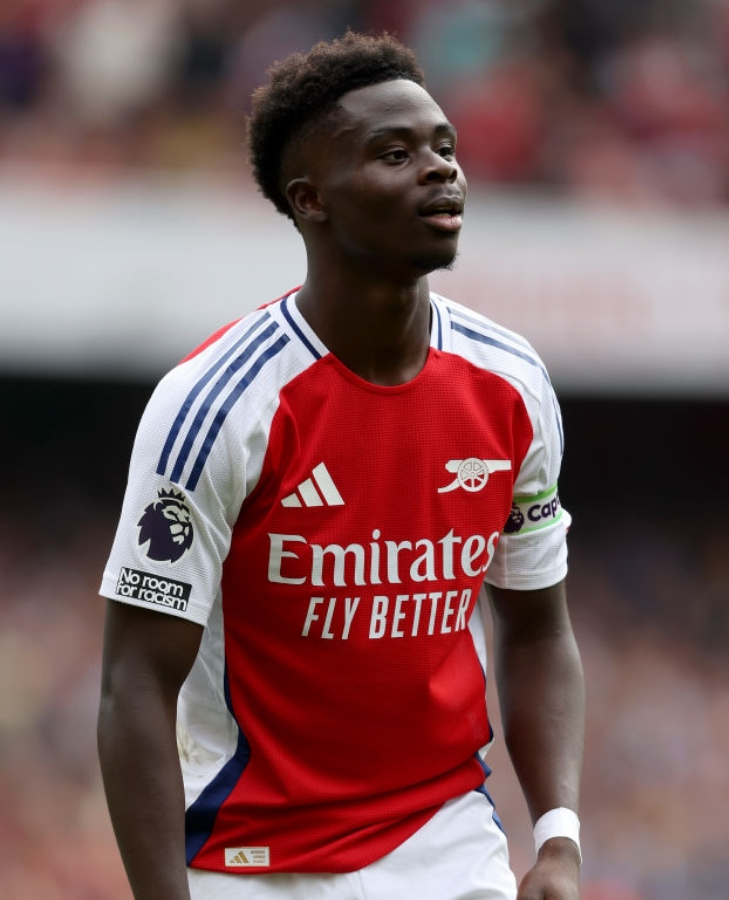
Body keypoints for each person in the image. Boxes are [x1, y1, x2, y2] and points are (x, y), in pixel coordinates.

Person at [95, 32, 583, 900]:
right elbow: (135, 682)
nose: (441, 170)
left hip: (446, 840)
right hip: (250, 856)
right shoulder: (214, 406)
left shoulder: (512, 384)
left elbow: (539, 625)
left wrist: (557, 839)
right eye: (396, 154)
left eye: (445, 148)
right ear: (311, 199)